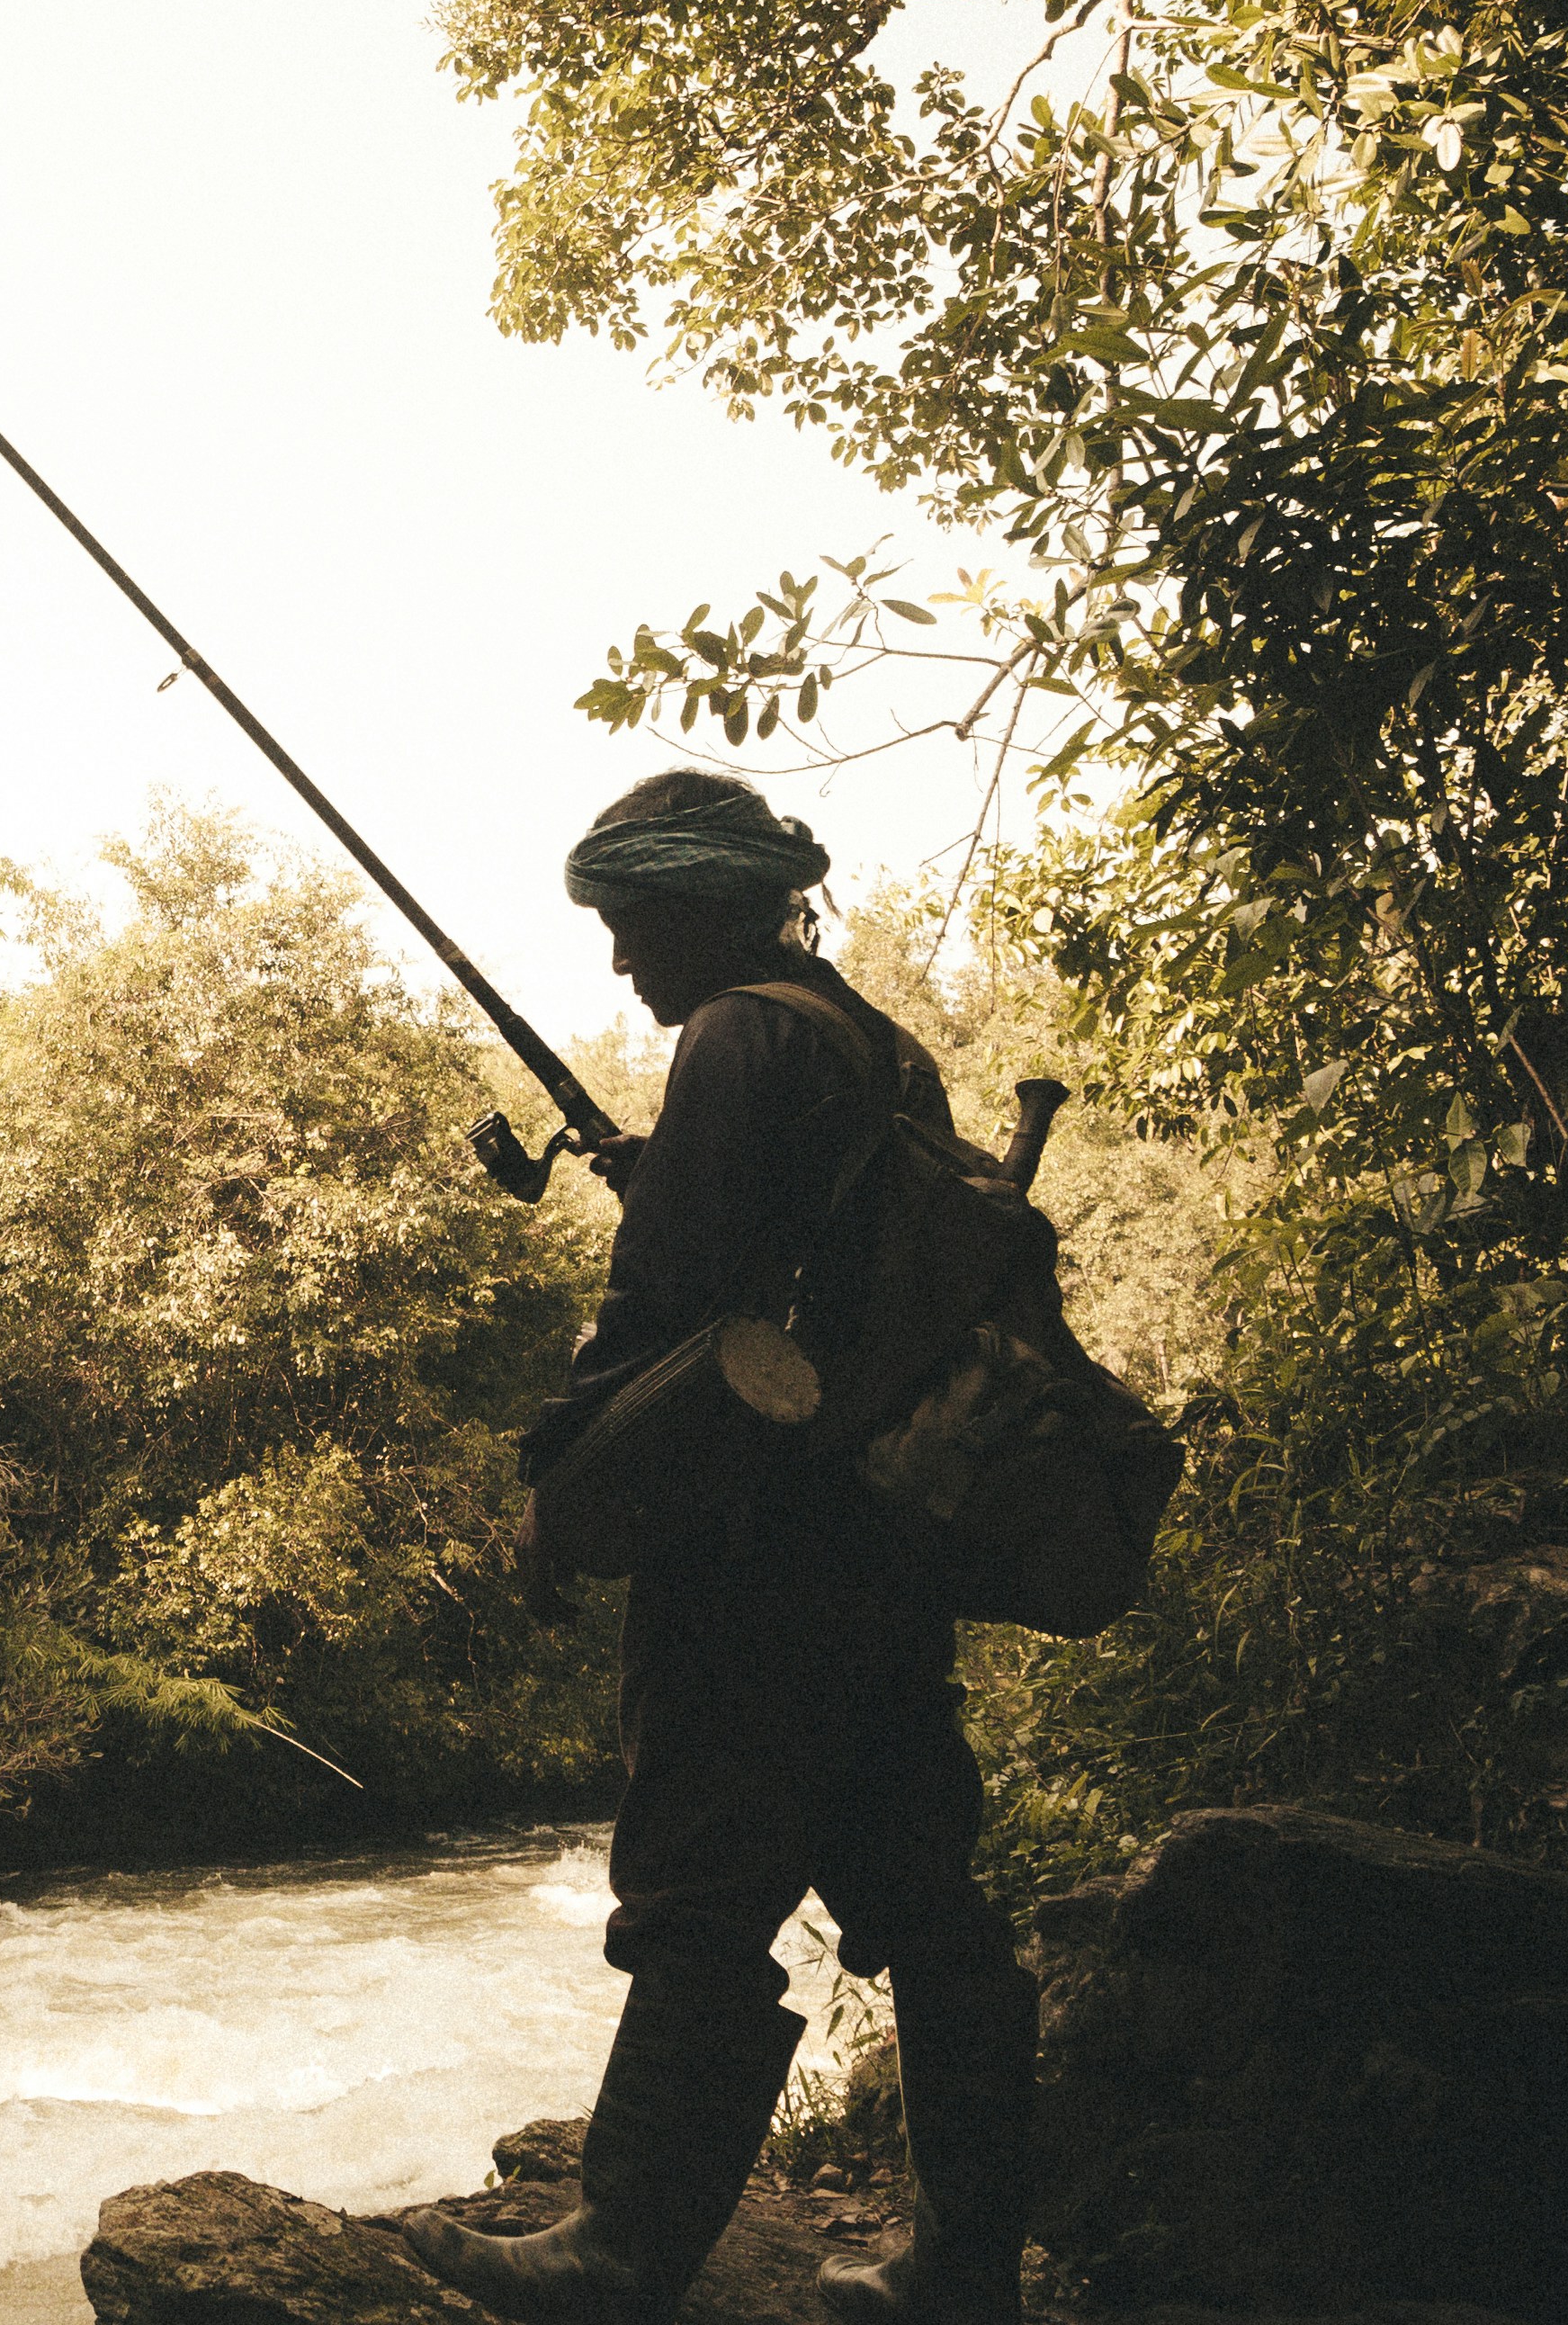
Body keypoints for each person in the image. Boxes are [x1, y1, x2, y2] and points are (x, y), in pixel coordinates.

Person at [395, 771, 1034, 2325]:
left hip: (753, 1550)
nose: (619, 962)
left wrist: (564, 1479)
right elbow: (828, 1264)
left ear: (697, 902)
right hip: (880, 1547)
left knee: (692, 1887)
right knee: (925, 1897)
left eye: (629, 924)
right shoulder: (880, 1049)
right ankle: (967, 2267)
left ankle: (621, 2253)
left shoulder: (737, 1040)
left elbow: (669, 1296)